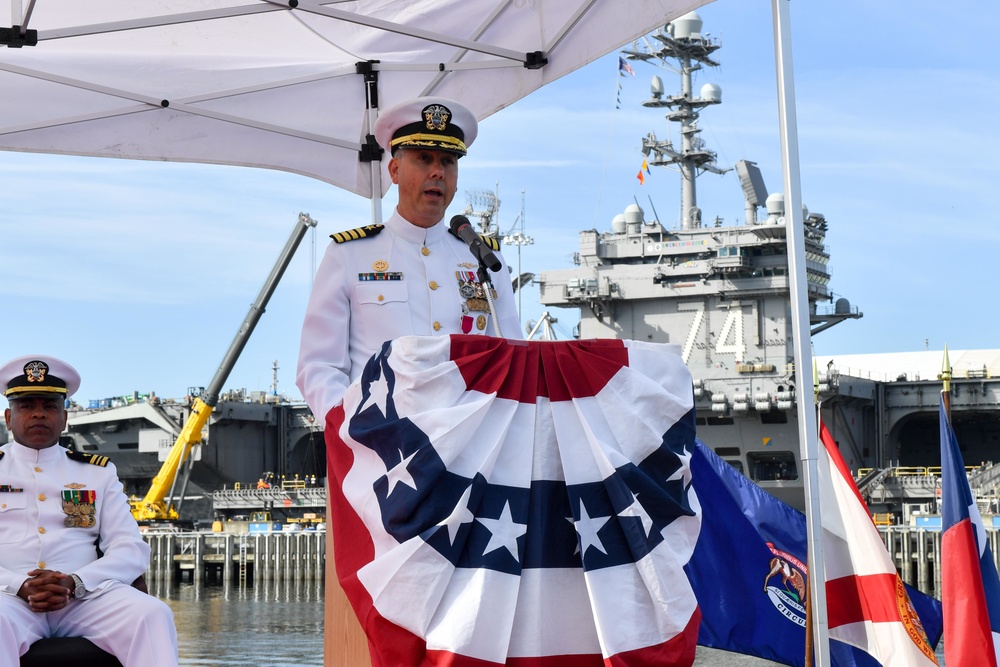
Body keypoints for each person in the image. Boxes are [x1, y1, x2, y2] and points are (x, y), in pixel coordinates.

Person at [296, 96, 522, 419]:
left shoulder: (483, 258)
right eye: (424, 158)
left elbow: (513, 358)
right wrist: (349, 430)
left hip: (472, 450)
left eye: (448, 162)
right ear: (395, 170)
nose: (437, 172)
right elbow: (318, 366)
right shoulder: (349, 256)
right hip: (381, 451)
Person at [0, 355, 178, 667]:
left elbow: (129, 548)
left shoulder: (97, 472)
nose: (39, 414)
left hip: (84, 599)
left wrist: (75, 581)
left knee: (152, 614)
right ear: (8, 417)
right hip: (9, 599)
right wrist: (20, 585)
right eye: (27, 406)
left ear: (64, 418)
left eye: (50, 406)